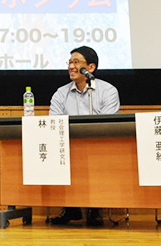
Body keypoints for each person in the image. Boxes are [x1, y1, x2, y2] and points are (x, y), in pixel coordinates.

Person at [47, 46, 120, 227]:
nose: (71, 66)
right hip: (68, 145)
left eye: (77, 62)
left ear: (91, 68)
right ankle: (71, 208)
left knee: (98, 154)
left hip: (99, 146)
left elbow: (107, 125)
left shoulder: (108, 91)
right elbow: (53, 122)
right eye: (70, 62)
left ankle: (95, 207)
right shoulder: (60, 93)